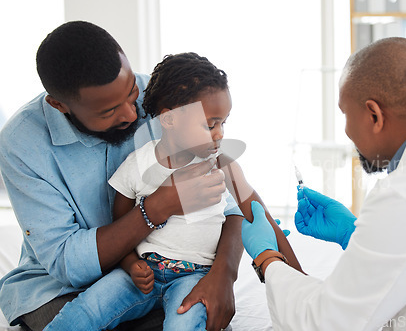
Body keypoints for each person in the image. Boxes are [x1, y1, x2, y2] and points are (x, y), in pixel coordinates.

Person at [241, 37, 406, 330]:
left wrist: (266, 259)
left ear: (374, 115)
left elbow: (325, 322)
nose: (347, 131)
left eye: (345, 115)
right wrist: (354, 235)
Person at [0, 21, 244, 331]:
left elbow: (233, 207)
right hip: (59, 288)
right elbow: (67, 262)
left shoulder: (163, 100)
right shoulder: (21, 143)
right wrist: (158, 207)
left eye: (132, 94)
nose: (133, 114)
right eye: (108, 112)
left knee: (194, 318)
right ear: (60, 105)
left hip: (165, 272)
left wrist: (223, 275)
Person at [43, 52, 302, 330]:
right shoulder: (138, 164)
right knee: (85, 311)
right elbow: (120, 222)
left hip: (195, 277)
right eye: (210, 124)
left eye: (223, 122)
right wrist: (131, 264)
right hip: (143, 274)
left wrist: (301, 283)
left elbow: (260, 217)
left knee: (185, 323)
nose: (220, 134)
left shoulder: (222, 165)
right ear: (169, 120)